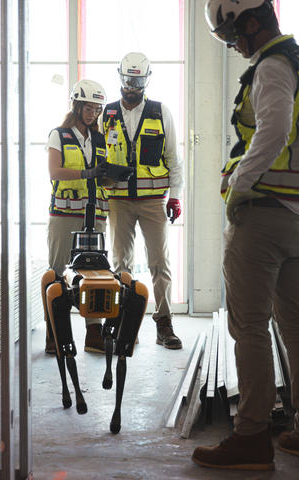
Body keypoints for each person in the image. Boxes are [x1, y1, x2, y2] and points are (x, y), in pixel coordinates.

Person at [192, 0, 299, 471]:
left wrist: (240, 186)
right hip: (296, 215)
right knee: (294, 327)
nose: (235, 46)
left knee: (249, 327)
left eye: (234, 35)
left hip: (265, 215)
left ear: (253, 23)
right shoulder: (295, 61)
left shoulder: (272, 66)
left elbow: (274, 129)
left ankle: (252, 436)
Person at [98, 52, 185, 349]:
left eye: (137, 80)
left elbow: (174, 158)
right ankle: (124, 322)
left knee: (160, 262)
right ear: (120, 77)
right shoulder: (106, 114)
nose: (132, 85)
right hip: (119, 201)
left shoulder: (161, 112)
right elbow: (98, 160)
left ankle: (164, 323)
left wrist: (175, 197)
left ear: (146, 80)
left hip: (153, 202)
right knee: (122, 262)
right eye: (127, 79)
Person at [45, 79, 110, 354]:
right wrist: (86, 173)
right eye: (88, 107)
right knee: (58, 273)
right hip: (64, 214)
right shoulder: (59, 134)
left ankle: (93, 332)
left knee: (95, 273)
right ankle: (55, 334)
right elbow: (54, 172)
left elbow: (101, 177)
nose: (92, 113)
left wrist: (115, 177)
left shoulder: (98, 138)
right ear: (77, 105)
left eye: (96, 109)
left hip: (94, 215)